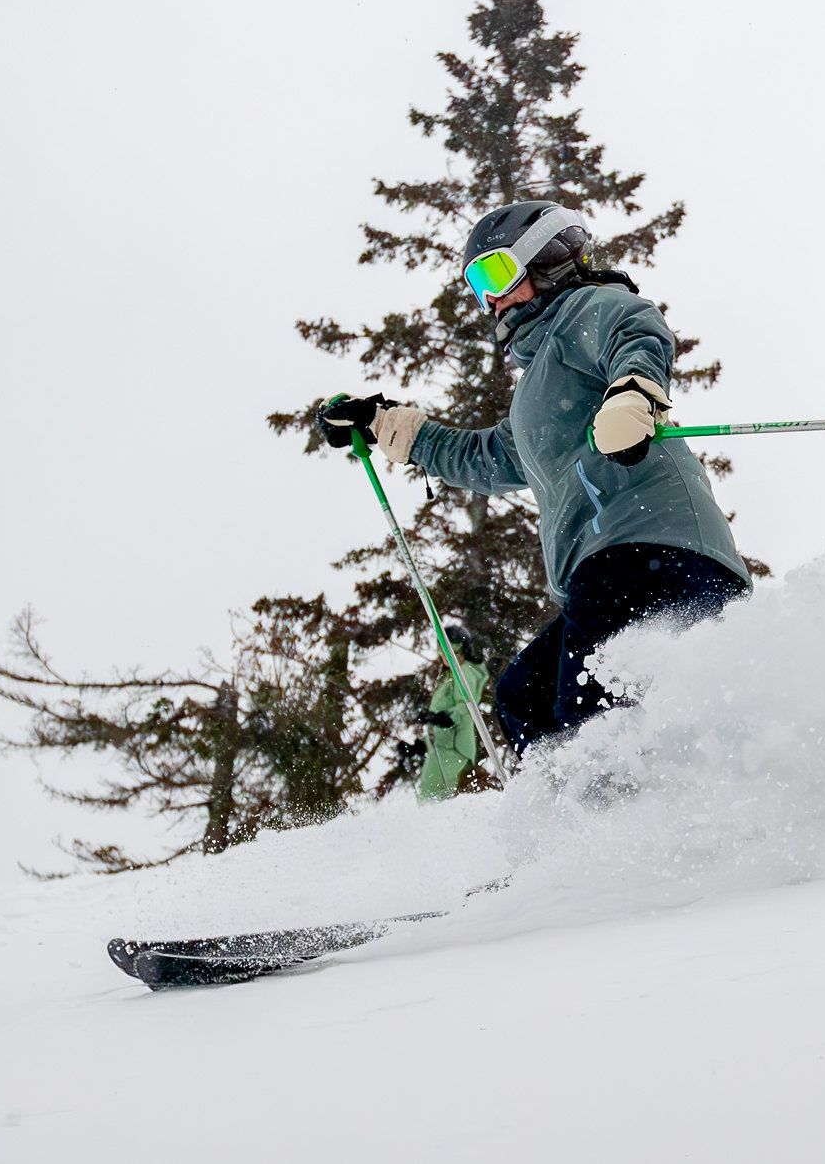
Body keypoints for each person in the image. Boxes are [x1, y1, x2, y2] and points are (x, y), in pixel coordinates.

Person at [316, 201, 751, 757]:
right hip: (609, 566)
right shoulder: (539, 390)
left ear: (544, 257)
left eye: (493, 272)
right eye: (476, 284)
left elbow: (633, 326)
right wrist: (383, 424)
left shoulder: (583, 309)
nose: (488, 297)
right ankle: (566, 825)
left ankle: (619, 817)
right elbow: (486, 457)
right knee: (524, 697)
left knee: (593, 720)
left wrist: (634, 391)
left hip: (653, 548)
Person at [412, 624, 490, 801]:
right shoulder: (451, 675)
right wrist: (421, 745)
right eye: (442, 654)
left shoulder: (464, 673)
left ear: (463, 651)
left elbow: (467, 706)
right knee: (430, 796)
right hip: (444, 748)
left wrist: (444, 718)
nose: (446, 659)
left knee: (434, 798)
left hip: (455, 751)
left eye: (452, 654)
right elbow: (446, 712)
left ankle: (437, 826)